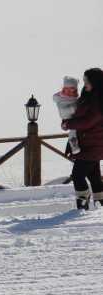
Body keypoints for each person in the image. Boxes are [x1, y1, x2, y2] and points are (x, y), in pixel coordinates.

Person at [62, 68, 103, 210]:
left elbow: (88, 121)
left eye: (87, 80)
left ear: (95, 81)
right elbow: (78, 119)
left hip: (93, 146)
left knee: (77, 175)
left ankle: (83, 204)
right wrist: (71, 141)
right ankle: (100, 205)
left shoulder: (99, 100)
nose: (84, 83)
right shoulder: (87, 96)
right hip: (87, 144)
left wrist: (68, 124)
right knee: (94, 176)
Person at [53, 76, 81, 155]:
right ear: (64, 88)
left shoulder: (76, 98)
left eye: (71, 88)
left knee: (74, 129)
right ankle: (73, 145)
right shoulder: (61, 99)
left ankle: (73, 144)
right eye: (67, 88)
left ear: (75, 89)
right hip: (67, 117)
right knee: (73, 129)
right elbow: (62, 110)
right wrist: (73, 108)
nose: (69, 91)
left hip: (73, 118)